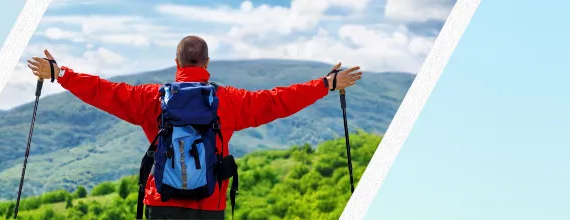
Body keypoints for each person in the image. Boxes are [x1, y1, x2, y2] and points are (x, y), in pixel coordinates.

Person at [26, 35, 364, 219]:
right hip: (209, 204)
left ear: (176, 64)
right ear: (206, 63)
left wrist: (61, 75)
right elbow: (277, 100)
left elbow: (105, 92)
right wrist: (326, 84)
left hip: (162, 202)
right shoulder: (228, 100)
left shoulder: (151, 98)